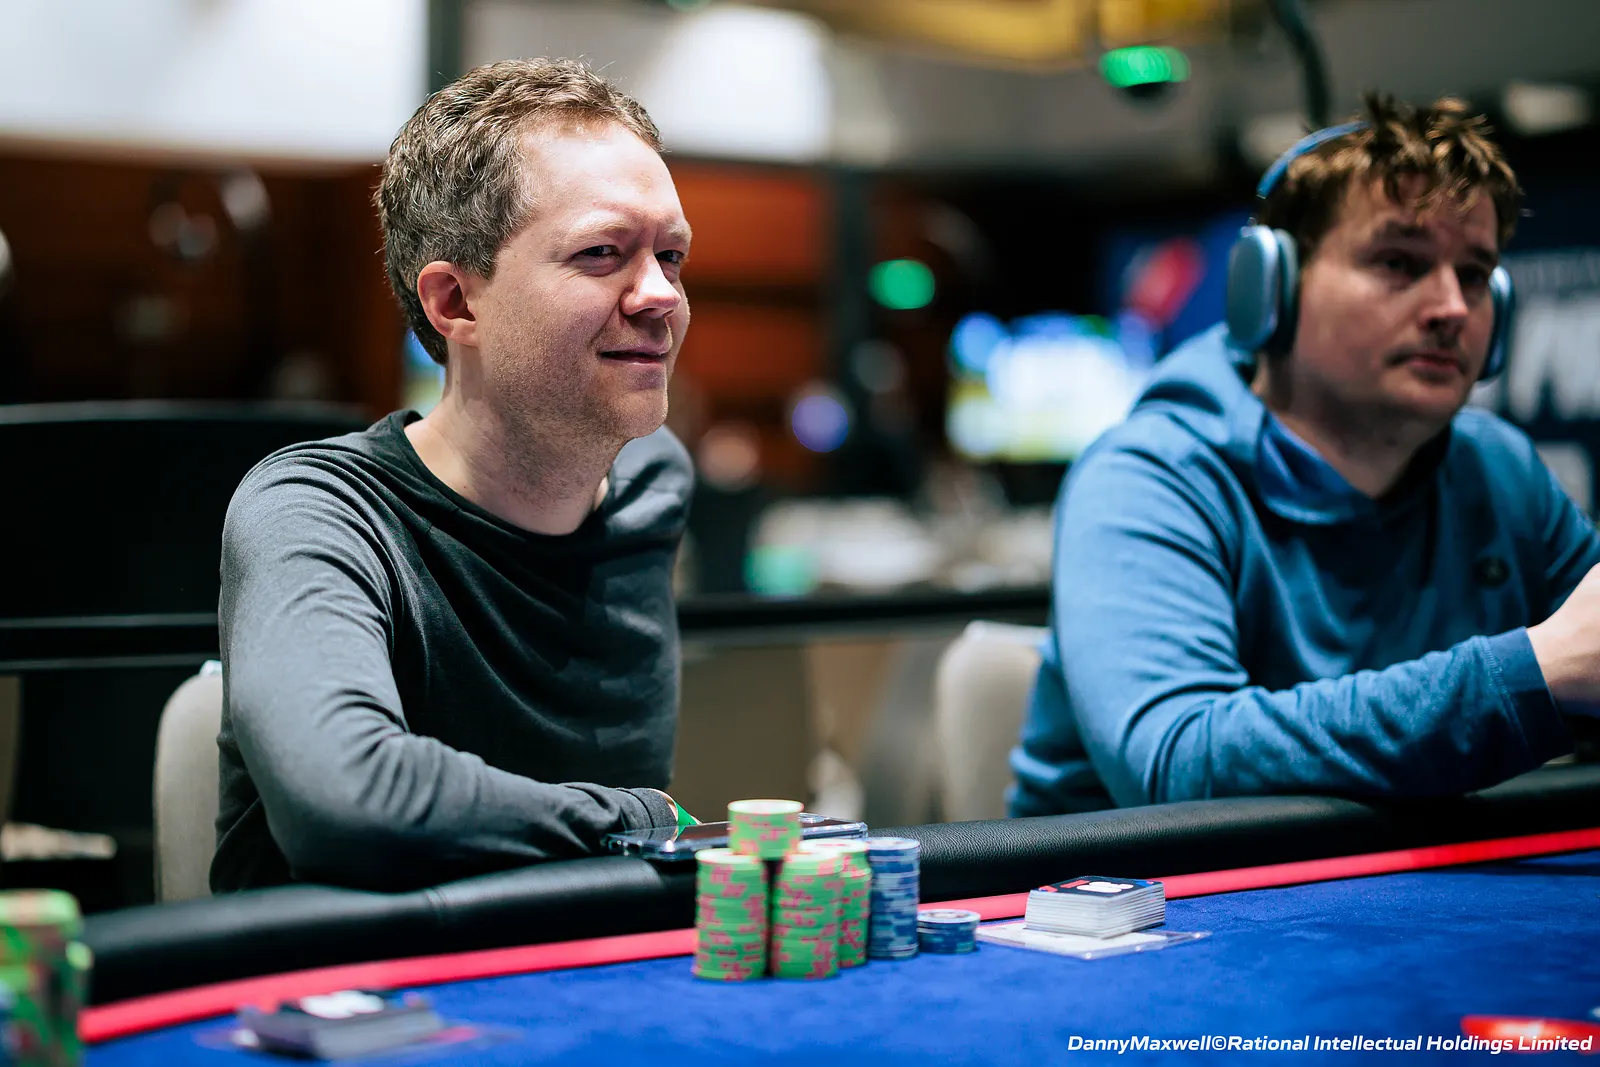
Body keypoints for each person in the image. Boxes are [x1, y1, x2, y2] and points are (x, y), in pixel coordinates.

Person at [1010, 94, 1600, 815]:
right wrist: (1536, 673)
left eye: (1475, 275)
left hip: (1414, 878)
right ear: (1272, 290)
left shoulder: (1499, 470)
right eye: (1399, 261)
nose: (1452, 306)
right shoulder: (1147, 476)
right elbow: (1179, 760)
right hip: (1152, 884)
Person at [213, 58, 697, 891]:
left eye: (672, 255)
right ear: (454, 303)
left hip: (583, 962)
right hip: (355, 970)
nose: (660, 296)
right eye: (602, 252)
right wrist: (639, 818)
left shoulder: (656, 481)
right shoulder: (317, 512)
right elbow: (352, 800)